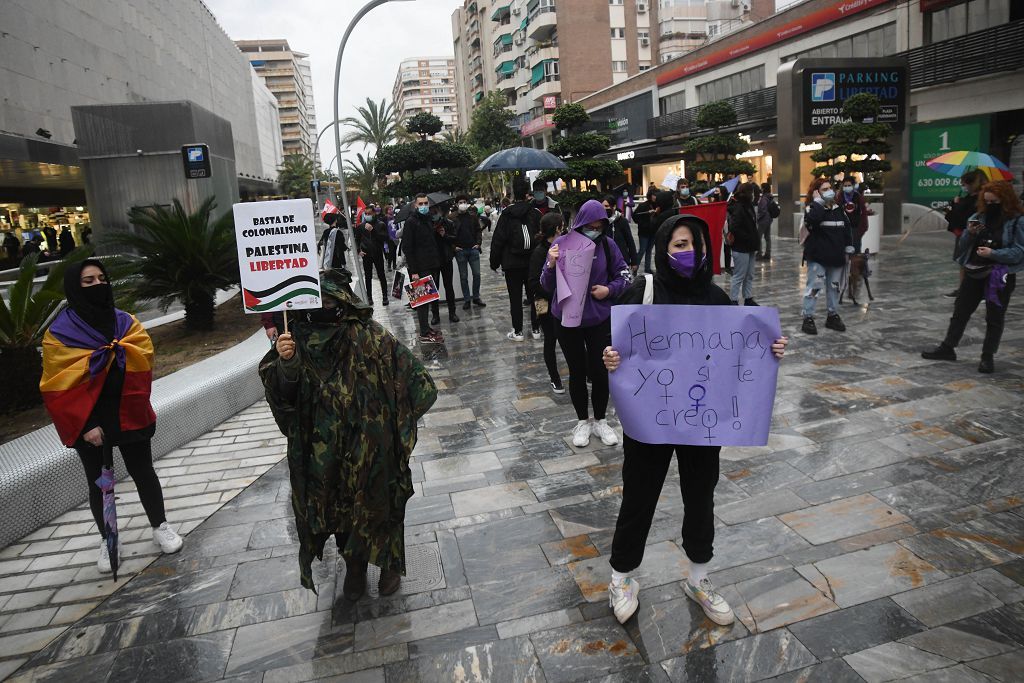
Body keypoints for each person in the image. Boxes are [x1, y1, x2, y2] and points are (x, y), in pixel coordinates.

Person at [601, 215, 788, 625]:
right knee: (639, 497)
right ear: (665, 247)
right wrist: (610, 358)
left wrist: (769, 351)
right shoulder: (644, 291)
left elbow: (740, 355)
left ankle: (699, 578)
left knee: (700, 497)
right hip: (650, 421)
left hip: (703, 422)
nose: (688, 253)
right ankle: (621, 577)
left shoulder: (718, 301)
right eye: (680, 244)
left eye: (695, 245)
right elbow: (614, 345)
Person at [260, 268, 438, 596]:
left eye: (329, 300)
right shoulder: (294, 340)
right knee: (339, 507)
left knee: (380, 502)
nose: (322, 307)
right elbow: (284, 396)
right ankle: (354, 566)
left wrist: (393, 426)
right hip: (326, 450)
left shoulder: (370, 336)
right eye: (317, 301)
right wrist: (287, 365)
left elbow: (420, 384)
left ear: (343, 302)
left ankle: (388, 565)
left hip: (372, 446)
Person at [40, 259, 183, 574]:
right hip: (88, 420)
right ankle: (108, 538)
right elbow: (57, 385)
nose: (97, 285)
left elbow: (143, 354)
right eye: (88, 282)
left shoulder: (124, 322)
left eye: (101, 279)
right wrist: (87, 424)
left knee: (143, 471)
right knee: (100, 483)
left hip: (129, 410)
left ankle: (160, 526)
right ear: (75, 288)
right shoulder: (60, 333)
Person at [540, 199, 628, 448]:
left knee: (600, 371)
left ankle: (600, 419)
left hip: (599, 318)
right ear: (579, 223)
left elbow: (624, 276)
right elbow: (546, 285)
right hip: (567, 318)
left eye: (599, 226)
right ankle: (582, 421)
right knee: (577, 370)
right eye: (590, 226)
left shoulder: (608, 246)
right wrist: (550, 264)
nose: (594, 230)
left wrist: (608, 290)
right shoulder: (561, 244)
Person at [922, 181, 1024, 374]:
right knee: (961, 311)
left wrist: (993, 254)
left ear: (1005, 200)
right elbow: (962, 246)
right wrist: (970, 233)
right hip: (974, 270)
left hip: (999, 275)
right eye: (987, 201)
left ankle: (987, 356)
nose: (990, 205)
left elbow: (1019, 252)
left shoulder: (1017, 220)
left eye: (995, 201)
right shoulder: (979, 216)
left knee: (994, 317)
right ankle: (948, 347)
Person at [491, 177, 542, 342]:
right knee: (535, 295)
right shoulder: (535, 213)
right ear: (528, 194)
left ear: (513, 192)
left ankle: (518, 332)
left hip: (511, 264)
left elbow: (498, 240)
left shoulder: (506, 214)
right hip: (533, 263)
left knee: (515, 298)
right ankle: (536, 329)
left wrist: (494, 263)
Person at [801, 177, 853, 335]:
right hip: (818, 257)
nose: (829, 191)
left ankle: (832, 314)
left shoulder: (838, 209)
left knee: (834, 288)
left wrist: (849, 246)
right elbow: (812, 222)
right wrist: (818, 203)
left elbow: (846, 228)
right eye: (824, 189)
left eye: (830, 188)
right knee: (814, 288)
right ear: (816, 192)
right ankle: (808, 317)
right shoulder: (812, 208)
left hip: (836, 257)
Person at [528, 212, 566, 394]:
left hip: (565, 302)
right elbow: (534, 282)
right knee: (550, 339)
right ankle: (554, 378)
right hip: (545, 302)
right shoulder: (540, 252)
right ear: (558, 229)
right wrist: (555, 294)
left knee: (570, 337)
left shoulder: (564, 247)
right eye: (563, 226)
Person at [402, 193, 445, 343]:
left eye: (425, 203)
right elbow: (407, 247)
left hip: (432, 264)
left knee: (430, 298)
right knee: (422, 301)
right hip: (420, 267)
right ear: (415, 205)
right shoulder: (411, 222)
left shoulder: (427, 220)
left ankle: (427, 328)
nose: (423, 206)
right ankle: (424, 331)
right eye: (420, 204)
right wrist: (414, 271)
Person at [943, 170, 985, 299]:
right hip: (963, 233)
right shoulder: (968, 198)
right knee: (963, 262)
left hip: (970, 234)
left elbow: (962, 218)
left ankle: (972, 290)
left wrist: (955, 206)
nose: (963, 187)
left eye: (964, 184)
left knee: (971, 262)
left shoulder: (978, 200)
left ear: (971, 184)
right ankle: (963, 288)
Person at [727, 182, 761, 306]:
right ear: (747, 193)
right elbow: (734, 227)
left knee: (749, 275)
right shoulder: (739, 207)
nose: (753, 195)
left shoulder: (748, 206)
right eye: (751, 192)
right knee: (739, 275)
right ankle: (733, 300)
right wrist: (747, 237)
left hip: (750, 246)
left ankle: (748, 298)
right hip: (741, 247)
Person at [452, 195, 486, 311]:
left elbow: (478, 231)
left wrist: (478, 243)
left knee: (477, 274)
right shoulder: (452, 218)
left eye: (464, 202)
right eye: (460, 202)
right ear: (456, 204)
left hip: (473, 249)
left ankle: (476, 297)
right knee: (463, 276)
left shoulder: (473, 217)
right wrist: (454, 247)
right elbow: (449, 235)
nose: (462, 204)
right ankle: (467, 299)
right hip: (460, 251)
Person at [430, 203, 459, 324]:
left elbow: (455, 239)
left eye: (435, 211)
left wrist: (444, 235)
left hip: (446, 259)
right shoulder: (426, 225)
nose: (434, 214)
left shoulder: (448, 223)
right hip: (433, 261)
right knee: (433, 289)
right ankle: (435, 315)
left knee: (449, 287)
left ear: (440, 211)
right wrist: (432, 231)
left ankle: (452, 313)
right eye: (431, 212)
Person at [357, 205, 389, 308]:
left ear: (374, 213)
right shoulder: (361, 226)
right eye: (365, 214)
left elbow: (384, 238)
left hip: (377, 253)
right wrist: (359, 251)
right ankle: (369, 297)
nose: (367, 216)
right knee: (368, 276)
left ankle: (385, 296)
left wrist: (373, 231)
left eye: (369, 214)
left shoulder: (381, 224)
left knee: (381, 275)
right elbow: (357, 239)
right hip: (366, 254)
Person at [603, 194, 638, 277]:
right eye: (602, 206)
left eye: (606, 206)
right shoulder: (601, 221)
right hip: (606, 260)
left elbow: (630, 241)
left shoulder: (622, 221)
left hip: (621, 259)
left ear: (614, 206)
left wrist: (634, 262)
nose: (604, 208)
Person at [839, 177, 868, 253]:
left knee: (855, 253)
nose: (847, 187)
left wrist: (861, 230)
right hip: (842, 230)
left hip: (855, 230)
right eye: (845, 185)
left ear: (853, 185)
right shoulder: (839, 197)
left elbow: (863, 214)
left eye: (849, 185)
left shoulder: (858, 197)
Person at [635, 188, 658, 274]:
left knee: (649, 250)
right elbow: (636, 217)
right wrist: (647, 214)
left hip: (653, 232)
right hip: (644, 232)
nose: (655, 197)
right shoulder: (643, 205)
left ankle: (647, 268)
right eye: (654, 195)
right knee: (642, 250)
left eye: (656, 195)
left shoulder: (658, 206)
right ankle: (635, 267)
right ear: (650, 196)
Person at [755, 182, 777, 260]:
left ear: (763, 189)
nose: (760, 189)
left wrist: (758, 218)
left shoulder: (764, 198)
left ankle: (759, 254)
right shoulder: (770, 197)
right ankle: (768, 253)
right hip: (769, 219)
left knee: (758, 237)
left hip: (763, 220)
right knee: (767, 237)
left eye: (761, 187)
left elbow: (763, 210)